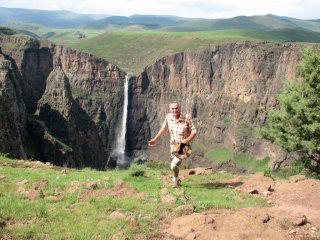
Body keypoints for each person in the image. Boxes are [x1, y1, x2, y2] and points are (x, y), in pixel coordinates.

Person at [148, 102, 197, 187]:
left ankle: (175, 180)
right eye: (173, 109)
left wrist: (187, 140)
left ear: (179, 108)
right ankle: (177, 178)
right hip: (173, 144)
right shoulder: (168, 117)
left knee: (173, 165)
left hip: (183, 146)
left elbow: (194, 131)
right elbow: (164, 128)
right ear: (170, 109)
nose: (175, 110)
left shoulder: (186, 117)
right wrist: (155, 139)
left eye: (176, 108)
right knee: (174, 164)